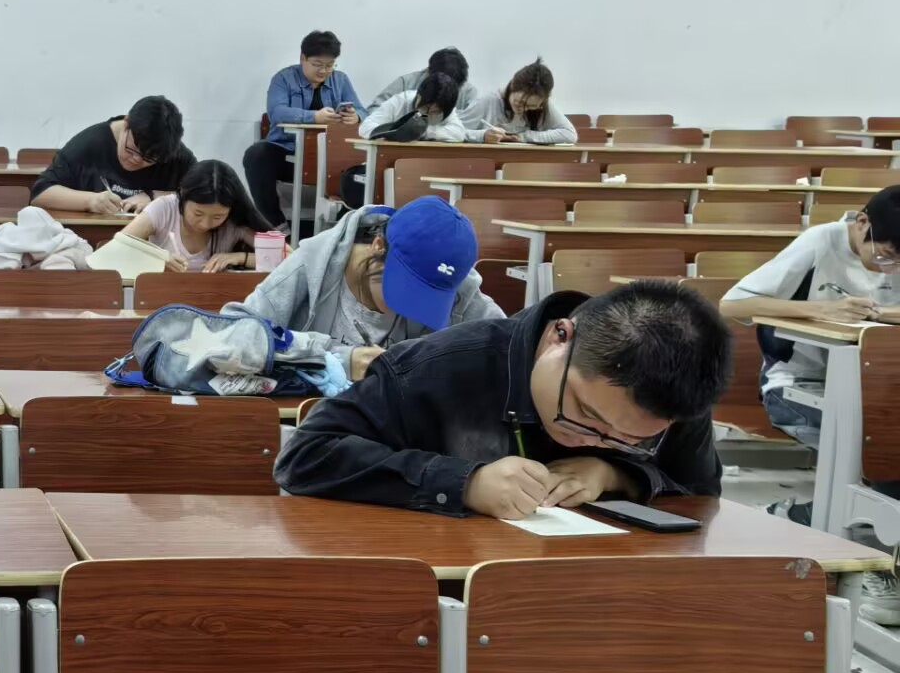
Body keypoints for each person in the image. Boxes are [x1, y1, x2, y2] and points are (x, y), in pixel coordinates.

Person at [278, 280, 731, 517]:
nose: (588, 440)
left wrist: (617, 472)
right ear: (560, 337)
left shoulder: (674, 391)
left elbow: (700, 496)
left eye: (626, 439)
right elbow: (305, 457)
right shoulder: (437, 367)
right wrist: (464, 484)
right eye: (582, 412)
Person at [721, 191, 900, 531]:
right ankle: (815, 519)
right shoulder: (821, 241)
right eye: (885, 256)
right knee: (881, 442)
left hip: (875, 391)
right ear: (862, 223)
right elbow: (732, 304)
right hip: (797, 386)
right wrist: (823, 309)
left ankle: (824, 517)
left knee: (886, 442)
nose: (887, 269)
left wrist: (881, 314)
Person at [234, 197, 502, 383]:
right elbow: (234, 334)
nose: (414, 308)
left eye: (430, 298)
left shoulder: (453, 279)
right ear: (378, 246)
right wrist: (336, 360)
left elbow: (508, 347)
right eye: (408, 290)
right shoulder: (312, 263)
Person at [242, 31, 369, 232]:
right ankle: (275, 226)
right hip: (288, 154)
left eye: (330, 65)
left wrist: (356, 117)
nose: (324, 71)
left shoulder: (341, 80)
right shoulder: (284, 79)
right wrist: (314, 117)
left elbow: (363, 111)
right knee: (256, 155)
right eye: (317, 64)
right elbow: (277, 113)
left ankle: (348, 229)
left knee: (363, 170)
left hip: (329, 158)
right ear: (303, 58)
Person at [31, 95, 195, 216]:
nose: (136, 160)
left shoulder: (171, 152)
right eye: (131, 150)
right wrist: (90, 201)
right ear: (126, 123)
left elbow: (204, 194)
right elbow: (40, 194)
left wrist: (155, 197)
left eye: (149, 159)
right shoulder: (89, 144)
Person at [344, 71, 468, 206]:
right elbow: (365, 127)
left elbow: (458, 133)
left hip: (424, 170)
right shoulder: (399, 101)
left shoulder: (445, 109)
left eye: (435, 112)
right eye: (426, 107)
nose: (428, 114)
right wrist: (393, 132)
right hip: (390, 168)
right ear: (419, 95)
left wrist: (425, 132)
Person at [120, 159, 265, 272]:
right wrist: (157, 258)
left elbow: (278, 259)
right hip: (162, 294)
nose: (205, 224)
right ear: (182, 196)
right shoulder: (164, 209)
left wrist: (239, 257)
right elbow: (118, 247)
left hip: (214, 297)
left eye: (217, 217)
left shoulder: (234, 221)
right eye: (198, 213)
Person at [463, 59, 575, 146]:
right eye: (519, 102)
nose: (523, 109)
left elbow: (569, 134)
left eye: (532, 106)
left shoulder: (543, 105)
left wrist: (524, 137)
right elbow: (456, 131)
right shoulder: (488, 101)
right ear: (512, 86)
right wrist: (482, 135)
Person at [372, 47, 479, 112]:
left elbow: (475, 127)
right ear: (428, 72)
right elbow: (374, 110)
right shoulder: (406, 84)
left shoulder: (468, 93)